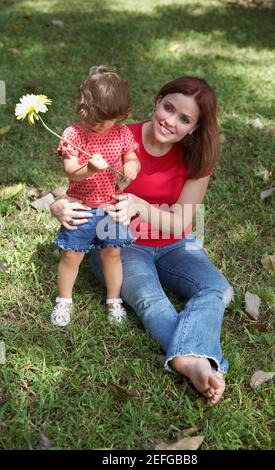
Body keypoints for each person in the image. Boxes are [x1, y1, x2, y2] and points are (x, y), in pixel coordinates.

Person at [51, 75, 233, 406]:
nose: (170, 121)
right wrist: (58, 204)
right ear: (157, 100)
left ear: (193, 128)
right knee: (151, 299)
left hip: (175, 243)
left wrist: (140, 206)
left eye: (184, 119)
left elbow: (180, 222)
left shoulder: (196, 158)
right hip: (119, 245)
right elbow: (79, 183)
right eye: (168, 107)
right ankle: (193, 362)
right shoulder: (119, 136)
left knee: (218, 289)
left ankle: (189, 352)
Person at [51, 65, 140, 327]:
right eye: (94, 119)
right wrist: (89, 167)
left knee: (112, 254)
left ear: (120, 117)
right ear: (82, 109)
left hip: (110, 207)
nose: (99, 126)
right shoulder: (74, 135)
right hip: (81, 207)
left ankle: (114, 300)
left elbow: (131, 156)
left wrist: (131, 167)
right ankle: (64, 300)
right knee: (71, 255)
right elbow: (71, 171)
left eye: (107, 121)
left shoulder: (122, 134)